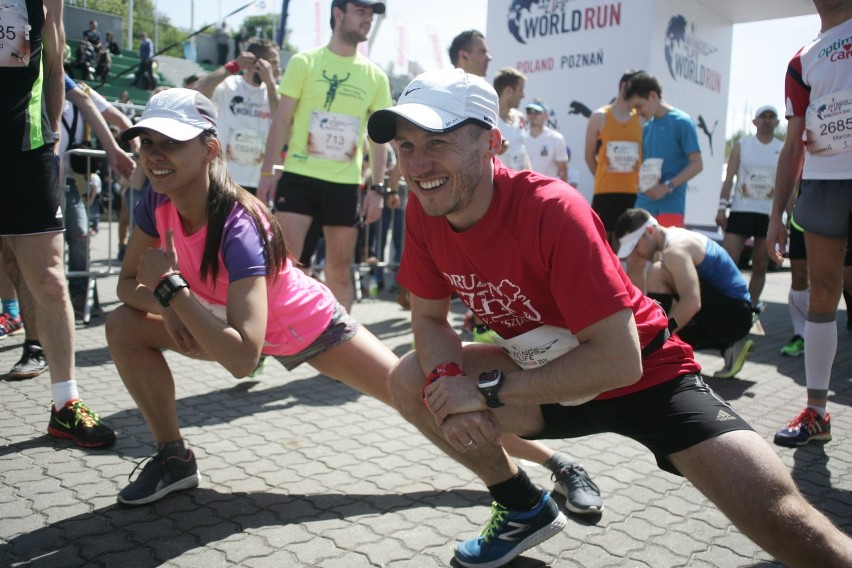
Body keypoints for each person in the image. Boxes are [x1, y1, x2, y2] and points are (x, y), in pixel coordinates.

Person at [367, 68, 852, 568]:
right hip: (541, 380)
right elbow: (428, 319)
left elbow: (620, 362)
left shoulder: (552, 210)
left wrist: (484, 391)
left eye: (436, 142)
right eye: (405, 147)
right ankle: (520, 505)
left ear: (492, 141)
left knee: (786, 520)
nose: (418, 163)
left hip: (645, 376)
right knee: (413, 380)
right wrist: (450, 378)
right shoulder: (424, 212)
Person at [107, 88, 400, 505]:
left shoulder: (239, 224)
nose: (154, 155)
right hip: (228, 327)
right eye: (148, 142)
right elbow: (125, 284)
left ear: (210, 149)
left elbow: (243, 361)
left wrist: (172, 290)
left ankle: (521, 465)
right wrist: (170, 303)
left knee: (418, 400)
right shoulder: (156, 199)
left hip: (307, 325)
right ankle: (174, 460)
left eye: (171, 142)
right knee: (121, 325)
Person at [0, 0, 120, 447]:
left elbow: (54, 64)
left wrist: (49, 136)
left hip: (26, 152)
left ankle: (65, 405)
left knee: (49, 280)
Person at [258, 0, 391, 313]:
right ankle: (265, 345)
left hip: (344, 185)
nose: (368, 19)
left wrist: (378, 189)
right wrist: (266, 174)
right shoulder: (305, 62)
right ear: (338, 14)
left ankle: (338, 347)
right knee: (285, 267)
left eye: (371, 14)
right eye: (361, 11)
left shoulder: (376, 77)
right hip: (299, 178)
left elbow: (379, 138)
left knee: (339, 271)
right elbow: (282, 121)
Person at [766, 0, 852, 448]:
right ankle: (816, 412)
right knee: (822, 293)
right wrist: (777, 214)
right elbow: (793, 142)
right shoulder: (803, 59)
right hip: (824, 187)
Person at [614, 208, 755, 379]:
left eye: (635, 245)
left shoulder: (675, 249)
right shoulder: (671, 239)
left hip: (737, 315)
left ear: (650, 231)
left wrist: (655, 340)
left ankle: (728, 341)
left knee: (658, 275)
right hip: (731, 310)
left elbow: (692, 303)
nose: (635, 252)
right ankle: (727, 345)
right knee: (667, 330)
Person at [193, 37, 281, 197]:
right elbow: (198, 91)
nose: (278, 68)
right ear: (258, 63)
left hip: (257, 181)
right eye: (273, 62)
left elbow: (279, 118)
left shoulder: (274, 91)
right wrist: (234, 66)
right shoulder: (230, 85)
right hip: (224, 177)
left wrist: (270, 84)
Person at [716, 105, 782, 308]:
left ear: (777, 123)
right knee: (727, 263)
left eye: (772, 117)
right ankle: (726, 304)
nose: (767, 120)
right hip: (740, 211)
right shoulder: (742, 145)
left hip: (767, 215)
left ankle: (751, 307)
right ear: (755, 121)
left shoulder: (782, 148)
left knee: (761, 266)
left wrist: (786, 217)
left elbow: (788, 184)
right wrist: (721, 208)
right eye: (763, 116)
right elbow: (728, 180)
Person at [624, 71, 702, 228]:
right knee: (637, 250)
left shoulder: (682, 122)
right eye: (634, 109)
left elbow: (697, 164)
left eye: (639, 106)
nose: (638, 113)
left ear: (653, 96)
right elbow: (645, 164)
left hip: (670, 207)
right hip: (643, 203)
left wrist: (667, 187)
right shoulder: (646, 126)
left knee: (668, 252)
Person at [585, 70, 643, 247]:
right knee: (603, 246)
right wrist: (604, 179)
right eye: (638, 91)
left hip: (633, 192)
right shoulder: (599, 116)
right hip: (605, 193)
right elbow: (589, 156)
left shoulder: (642, 119)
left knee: (631, 246)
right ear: (624, 87)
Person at [493, 66, 531, 172]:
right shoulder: (489, 119)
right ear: (508, 91)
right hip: (500, 185)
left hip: (521, 184)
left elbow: (523, 153)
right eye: (520, 90)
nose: (523, 95)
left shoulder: (520, 118)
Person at [524, 99, 568, 182]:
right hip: (526, 189)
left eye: (537, 112)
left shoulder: (556, 138)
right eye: (529, 111)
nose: (533, 115)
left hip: (548, 190)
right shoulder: (521, 139)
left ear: (546, 115)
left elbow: (563, 172)